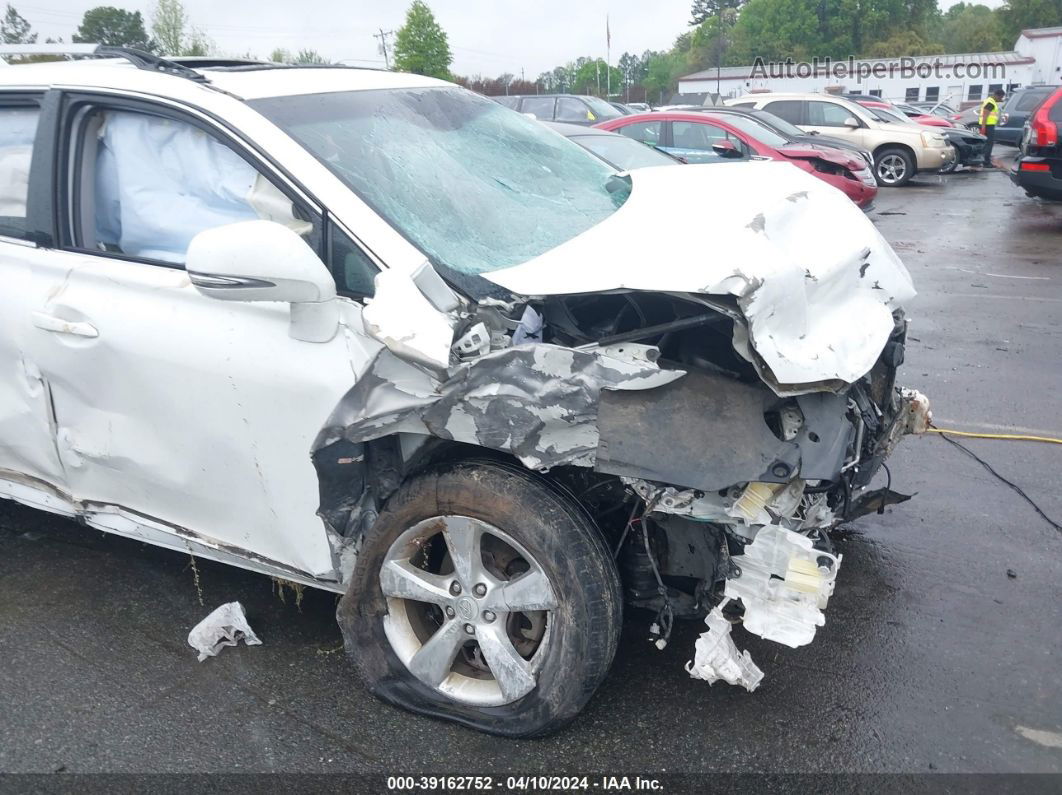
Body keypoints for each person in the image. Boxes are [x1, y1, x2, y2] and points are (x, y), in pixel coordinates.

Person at [977, 89, 1005, 169]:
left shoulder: (990, 100)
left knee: (985, 144)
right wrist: (983, 128)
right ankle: (986, 163)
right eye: (1001, 97)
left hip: (987, 125)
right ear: (997, 95)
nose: (1001, 99)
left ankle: (981, 161)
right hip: (988, 126)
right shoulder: (991, 102)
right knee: (989, 144)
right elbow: (985, 115)